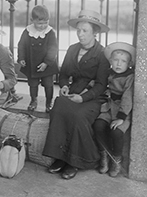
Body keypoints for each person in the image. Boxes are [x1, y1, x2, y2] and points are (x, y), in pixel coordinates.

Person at [42, 9, 110, 180]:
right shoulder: (72, 49)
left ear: (95, 32)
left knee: (78, 115)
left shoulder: (102, 54)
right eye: (78, 30)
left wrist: (84, 98)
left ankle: (76, 161)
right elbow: (63, 74)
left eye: (85, 31)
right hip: (73, 92)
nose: (80, 34)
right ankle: (60, 157)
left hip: (93, 97)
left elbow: (101, 85)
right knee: (58, 108)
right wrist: (64, 86)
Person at [93, 42, 135, 177]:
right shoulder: (110, 73)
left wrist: (121, 118)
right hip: (109, 108)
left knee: (116, 132)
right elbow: (105, 86)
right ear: (110, 61)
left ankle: (116, 159)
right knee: (98, 125)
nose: (118, 64)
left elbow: (128, 97)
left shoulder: (129, 77)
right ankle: (104, 155)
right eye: (116, 60)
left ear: (128, 64)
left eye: (123, 61)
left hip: (123, 112)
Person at [17, 5, 59, 113]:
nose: (42, 26)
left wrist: (47, 62)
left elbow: (53, 49)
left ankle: (49, 102)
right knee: (33, 84)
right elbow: (21, 45)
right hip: (32, 64)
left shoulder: (50, 32)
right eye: (39, 23)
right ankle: (33, 100)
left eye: (46, 23)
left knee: (49, 85)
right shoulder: (27, 31)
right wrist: (21, 58)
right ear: (32, 20)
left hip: (47, 65)